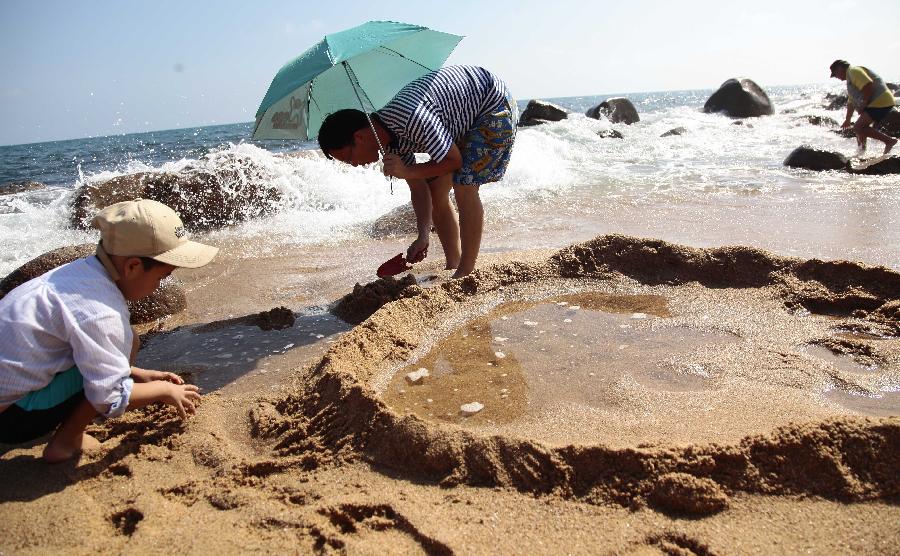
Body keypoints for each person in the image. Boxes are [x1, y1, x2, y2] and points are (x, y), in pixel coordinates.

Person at [0, 199, 219, 463]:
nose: (162, 285)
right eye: (162, 277)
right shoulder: (102, 311)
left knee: (128, 341)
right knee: (126, 345)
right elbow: (109, 397)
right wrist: (163, 390)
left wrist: (136, 373)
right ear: (133, 266)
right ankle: (67, 441)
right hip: (12, 419)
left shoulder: (78, 276)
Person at [318, 65, 517, 278]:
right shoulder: (388, 141)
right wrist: (423, 236)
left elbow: (453, 160)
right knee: (436, 189)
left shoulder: (409, 118)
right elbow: (419, 189)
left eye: (349, 158)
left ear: (358, 138)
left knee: (464, 184)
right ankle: (454, 263)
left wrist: (409, 171)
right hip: (463, 119)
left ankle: (466, 271)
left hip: (493, 104)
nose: (354, 165)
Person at [829, 59, 897, 155]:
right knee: (860, 128)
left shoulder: (853, 71)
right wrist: (847, 119)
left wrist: (864, 103)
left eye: (835, 74)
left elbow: (868, 84)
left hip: (880, 101)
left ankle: (889, 141)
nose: (837, 77)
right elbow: (851, 102)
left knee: (858, 127)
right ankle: (861, 152)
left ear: (840, 68)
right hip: (876, 103)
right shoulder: (850, 80)